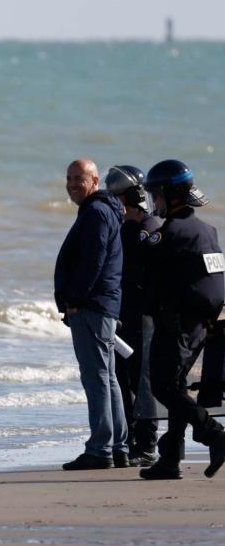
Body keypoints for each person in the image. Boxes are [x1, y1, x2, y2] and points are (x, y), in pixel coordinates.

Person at [137, 160, 225, 480]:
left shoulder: (169, 234)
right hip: (203, 325)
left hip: (176, 325)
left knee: (163, 387)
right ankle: (170, 458)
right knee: (176, 387)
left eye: (156, 194)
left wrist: (141, 229)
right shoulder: (207, 230)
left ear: (171, 195)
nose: (153, 202)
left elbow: (146, 275)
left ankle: (214, 434)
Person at [55, 159, 128, 470]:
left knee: (97, 377)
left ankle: (101, 449)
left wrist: (75, 299)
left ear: (95, 180)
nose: (72, 184)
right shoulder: (99, 210)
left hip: (92, 307)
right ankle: (118, 446)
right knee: (107, 377)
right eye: (69, 178)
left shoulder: (96, 212)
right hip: (101, 305)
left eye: (78, 178)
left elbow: (93, 261)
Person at [109, 165, 161, 466]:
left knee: (143, 378)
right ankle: (128, 439)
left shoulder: (149, 228)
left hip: (143, 313)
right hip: (122, 311)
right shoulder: (125, 227)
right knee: (122, 376)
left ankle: (147, 443)